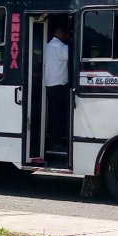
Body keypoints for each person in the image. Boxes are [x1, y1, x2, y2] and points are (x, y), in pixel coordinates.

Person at [44, 20, 69, 152]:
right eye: (64, 32)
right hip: (59, 86)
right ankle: (59, 141)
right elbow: (75, 55)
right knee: (63, 114)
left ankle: (55, 140)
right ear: (58, 32)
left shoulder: (48, 45)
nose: (66, 35)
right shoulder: (60, 47)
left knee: (54, 115)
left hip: (50, 85)